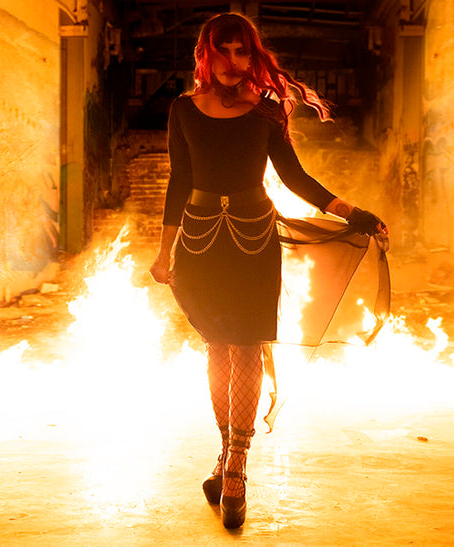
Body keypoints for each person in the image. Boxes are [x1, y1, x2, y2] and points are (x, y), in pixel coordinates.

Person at [147, 12, 385, 530]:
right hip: (200, 245)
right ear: (205, 54)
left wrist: (352, 212)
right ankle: (225, 452)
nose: (234, 62)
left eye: (243, 52)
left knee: (248, 346)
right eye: (225, 51)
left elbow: (295, 177)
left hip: (255, 242)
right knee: (217, 348)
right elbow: (179, 181)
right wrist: (164, 253)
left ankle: (237, 464)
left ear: (252, 56)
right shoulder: (183, 109)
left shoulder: (267, 112)